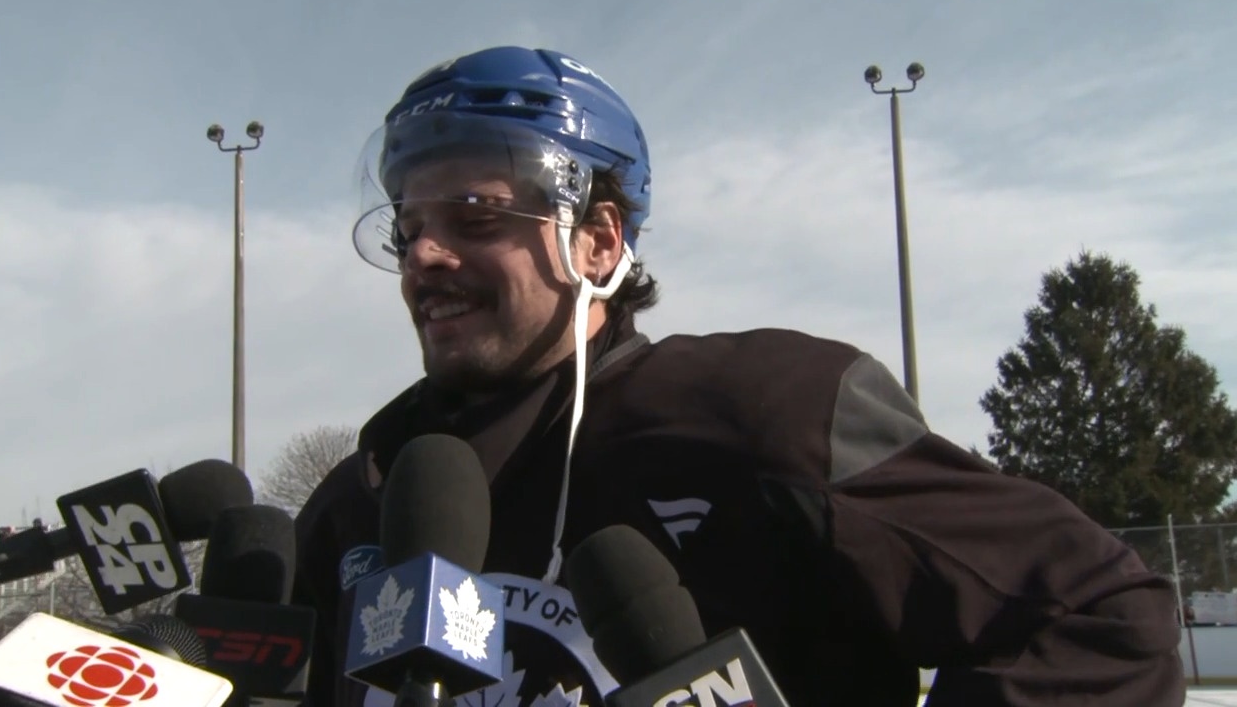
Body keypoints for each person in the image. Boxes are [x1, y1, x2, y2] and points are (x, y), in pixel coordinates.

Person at [292, 45, 1186, 707]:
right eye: (409, 227)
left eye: (477, 216)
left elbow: (1103, 622)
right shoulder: (356, 501)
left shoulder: (758, 416)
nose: (426, 256)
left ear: (598, 239)